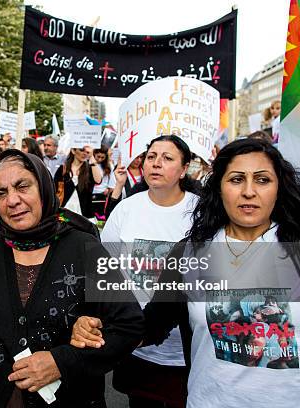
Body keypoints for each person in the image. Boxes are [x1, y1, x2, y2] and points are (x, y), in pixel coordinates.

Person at [72, 138, 300, 407]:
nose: (249, 191)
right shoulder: (189, 253)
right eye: (236, 179)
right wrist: (96, 330)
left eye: (263, 180)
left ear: (279, 187)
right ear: (218, 187)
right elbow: (151, 324)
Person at [0, 150, 145, 407]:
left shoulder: (85, 247)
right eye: (1, 193)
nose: (12, 200)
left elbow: (129, 326)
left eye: (22, 186)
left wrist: (61, 362)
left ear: (43, 188)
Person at [94, 135, 198, 408]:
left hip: (187, 351)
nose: (156, 164)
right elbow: (106, 269)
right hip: (136, 346)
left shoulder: (202, 212)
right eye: (151, 156)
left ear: (184, 168)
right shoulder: (127, 209)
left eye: (167, 158)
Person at [53, 146, 102, 218]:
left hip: (84, 214)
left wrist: (92, 157)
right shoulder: (63, 169)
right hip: (64, 214)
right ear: (73, 151)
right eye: (82, 150)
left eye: (87, 152)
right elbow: (55, 189)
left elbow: (98, 181)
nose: (84, 153)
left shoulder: (90, 169)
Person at [91, 146, 115, 219]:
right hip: (89, 194)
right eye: (98, 156)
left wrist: (108, 190)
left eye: (102, 157)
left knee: (100, 218)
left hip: (102, 195)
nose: (100, 159)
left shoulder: (109, 166)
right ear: (94, 154)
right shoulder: (89, 163)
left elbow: (112, 182)